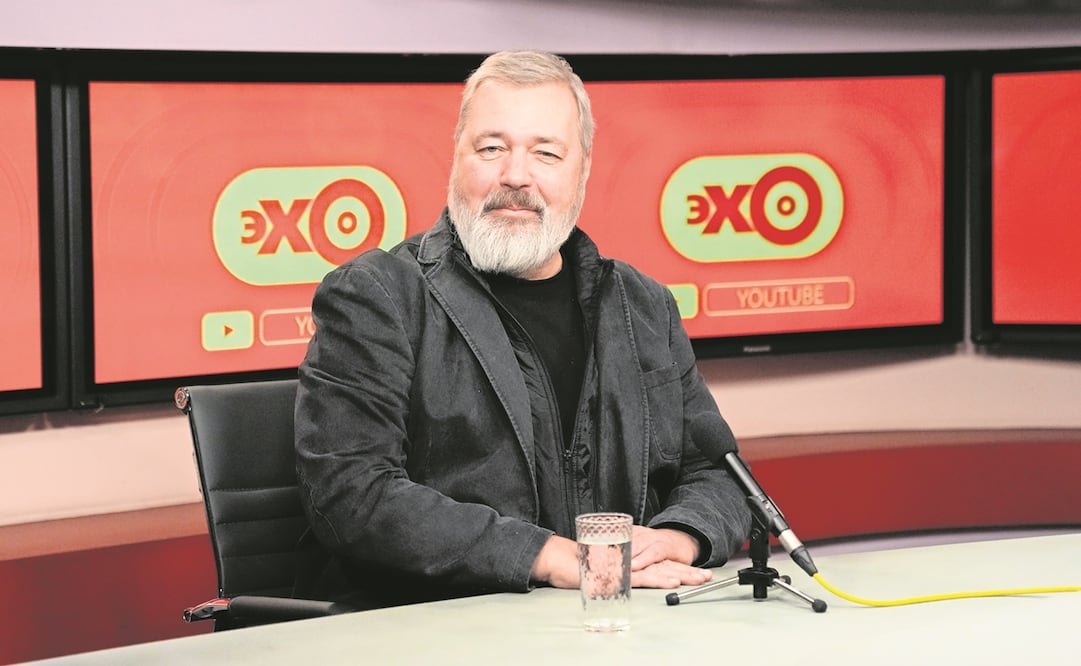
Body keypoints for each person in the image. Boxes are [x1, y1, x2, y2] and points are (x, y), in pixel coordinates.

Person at [293, 49, 752, 608]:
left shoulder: (643, 305)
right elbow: (352, 496)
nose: (515, 175)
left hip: (621, 627)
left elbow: (721, 474)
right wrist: (554, 556)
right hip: (438, 632)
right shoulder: (378, 294)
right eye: (491, 148)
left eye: (545, 153)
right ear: (456, 158)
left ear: (581, 170)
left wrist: (677, 540)